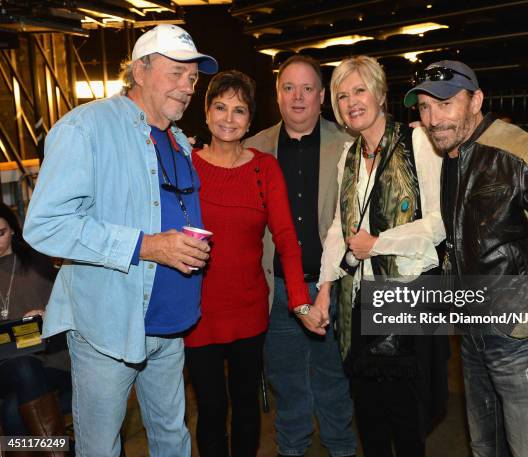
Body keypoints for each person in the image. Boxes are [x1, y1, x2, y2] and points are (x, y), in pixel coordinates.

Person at [23, 24, 216, 457]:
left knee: (172, 437)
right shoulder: (85, 128)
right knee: (101, 447)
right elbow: (45, 225)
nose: (187, 87)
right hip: (110, 328)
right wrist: (147, 246)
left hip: (169, 326)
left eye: (192, 78)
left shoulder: (177, 140)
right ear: (139, 71)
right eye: (175, 73)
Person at [404, 60, 528, 457]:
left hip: (522, 338)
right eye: (424, 107)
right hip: (475, 333)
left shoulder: (517, 149)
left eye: (444, 104)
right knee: (485, 446)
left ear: (476, 100)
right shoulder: (453, 152)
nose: (432, 118)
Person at [314, 55, 448, 457]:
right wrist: (323, 291)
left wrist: (378, 243)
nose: (351, 101)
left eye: (359, 90)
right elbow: (340, 228)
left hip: (406, 297)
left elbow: (440, 223)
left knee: (407, 419)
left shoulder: (417, 141)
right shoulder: (348, 157)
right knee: (369, 417)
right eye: (342, 95)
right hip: (359, 302)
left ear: (380, 93)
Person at [184, 70, 311, 457]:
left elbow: (287, 238)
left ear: (250, 119)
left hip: (249, 310)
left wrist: (300, 299)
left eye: (239, 110)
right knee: (210, 409)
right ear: (205, 112)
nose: (228, 118)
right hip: (198, 313)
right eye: (220, 107)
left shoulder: (264, 168)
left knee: (246, 407)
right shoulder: (185, 166)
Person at [243, 55, 357, 457]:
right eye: (288, 87)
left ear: (322, 97)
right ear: (277, 95)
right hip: (276, 294)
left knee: (334, 382)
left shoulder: (349, 146)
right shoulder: (252, 149)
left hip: (332, 289)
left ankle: (341, 449)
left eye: (307, 88)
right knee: (287, 384)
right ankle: (291, 450)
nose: (298, 97)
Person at [0, 203, 70, 451]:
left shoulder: (39, 262)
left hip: (52, 359)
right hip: (5, 367)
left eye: (1, 233)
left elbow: (74, 302)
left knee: (12, 409)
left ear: (13, 230)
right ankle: (57, 452)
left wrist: (49, 313)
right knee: (24, 366)